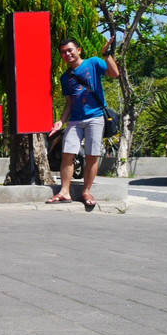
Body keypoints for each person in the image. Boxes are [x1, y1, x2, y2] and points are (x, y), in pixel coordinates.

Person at [46, 36, 119, 208]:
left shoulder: (93, 63)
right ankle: (64, 191)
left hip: (95, 117)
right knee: (67, 153)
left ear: (78, 50)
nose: (67, 54)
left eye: (70, 50)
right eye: (63, 52)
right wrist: (61, 121)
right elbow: (70, 104)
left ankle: (86, 191)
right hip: (75, 120)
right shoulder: (66, 77)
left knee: (92, 155)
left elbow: (114, 74)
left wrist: (106, 54)